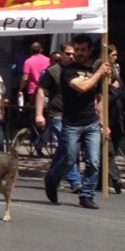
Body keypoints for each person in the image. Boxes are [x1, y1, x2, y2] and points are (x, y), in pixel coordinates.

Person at [44, 33, 112, 210]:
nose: (79, 53)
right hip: (72, 124)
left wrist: (103, 123)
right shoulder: (68, 70)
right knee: (69, 159)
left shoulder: (94, 69)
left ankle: (86, 195)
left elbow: (99, 98)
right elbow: (82, 87)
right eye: (77, 49)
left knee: (93, 162)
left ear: (90, 51)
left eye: (83, 50)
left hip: (91, 123)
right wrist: (99, 73)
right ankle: (51, 179)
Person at [35, 42, 82, 193]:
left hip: (73, 116)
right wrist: (39, 114)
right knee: (69, 147)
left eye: (73, 54)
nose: (71, 57)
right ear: (61, 55)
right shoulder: (52, 72)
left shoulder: (77, 71)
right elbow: (41, 92)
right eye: (68, 54)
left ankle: (51, 176)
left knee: (63, 148)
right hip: (57, 115)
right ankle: (75, 181)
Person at [94, 56, 125, 194]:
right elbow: (104, 101)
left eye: (111, 69)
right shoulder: (99, 85)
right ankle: (116, 179)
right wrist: (112, 89)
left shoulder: (118, 82)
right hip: (103, 122)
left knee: (110, 152)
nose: (109, 71)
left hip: (118, 122)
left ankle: (100, 181)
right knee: (108, 152)